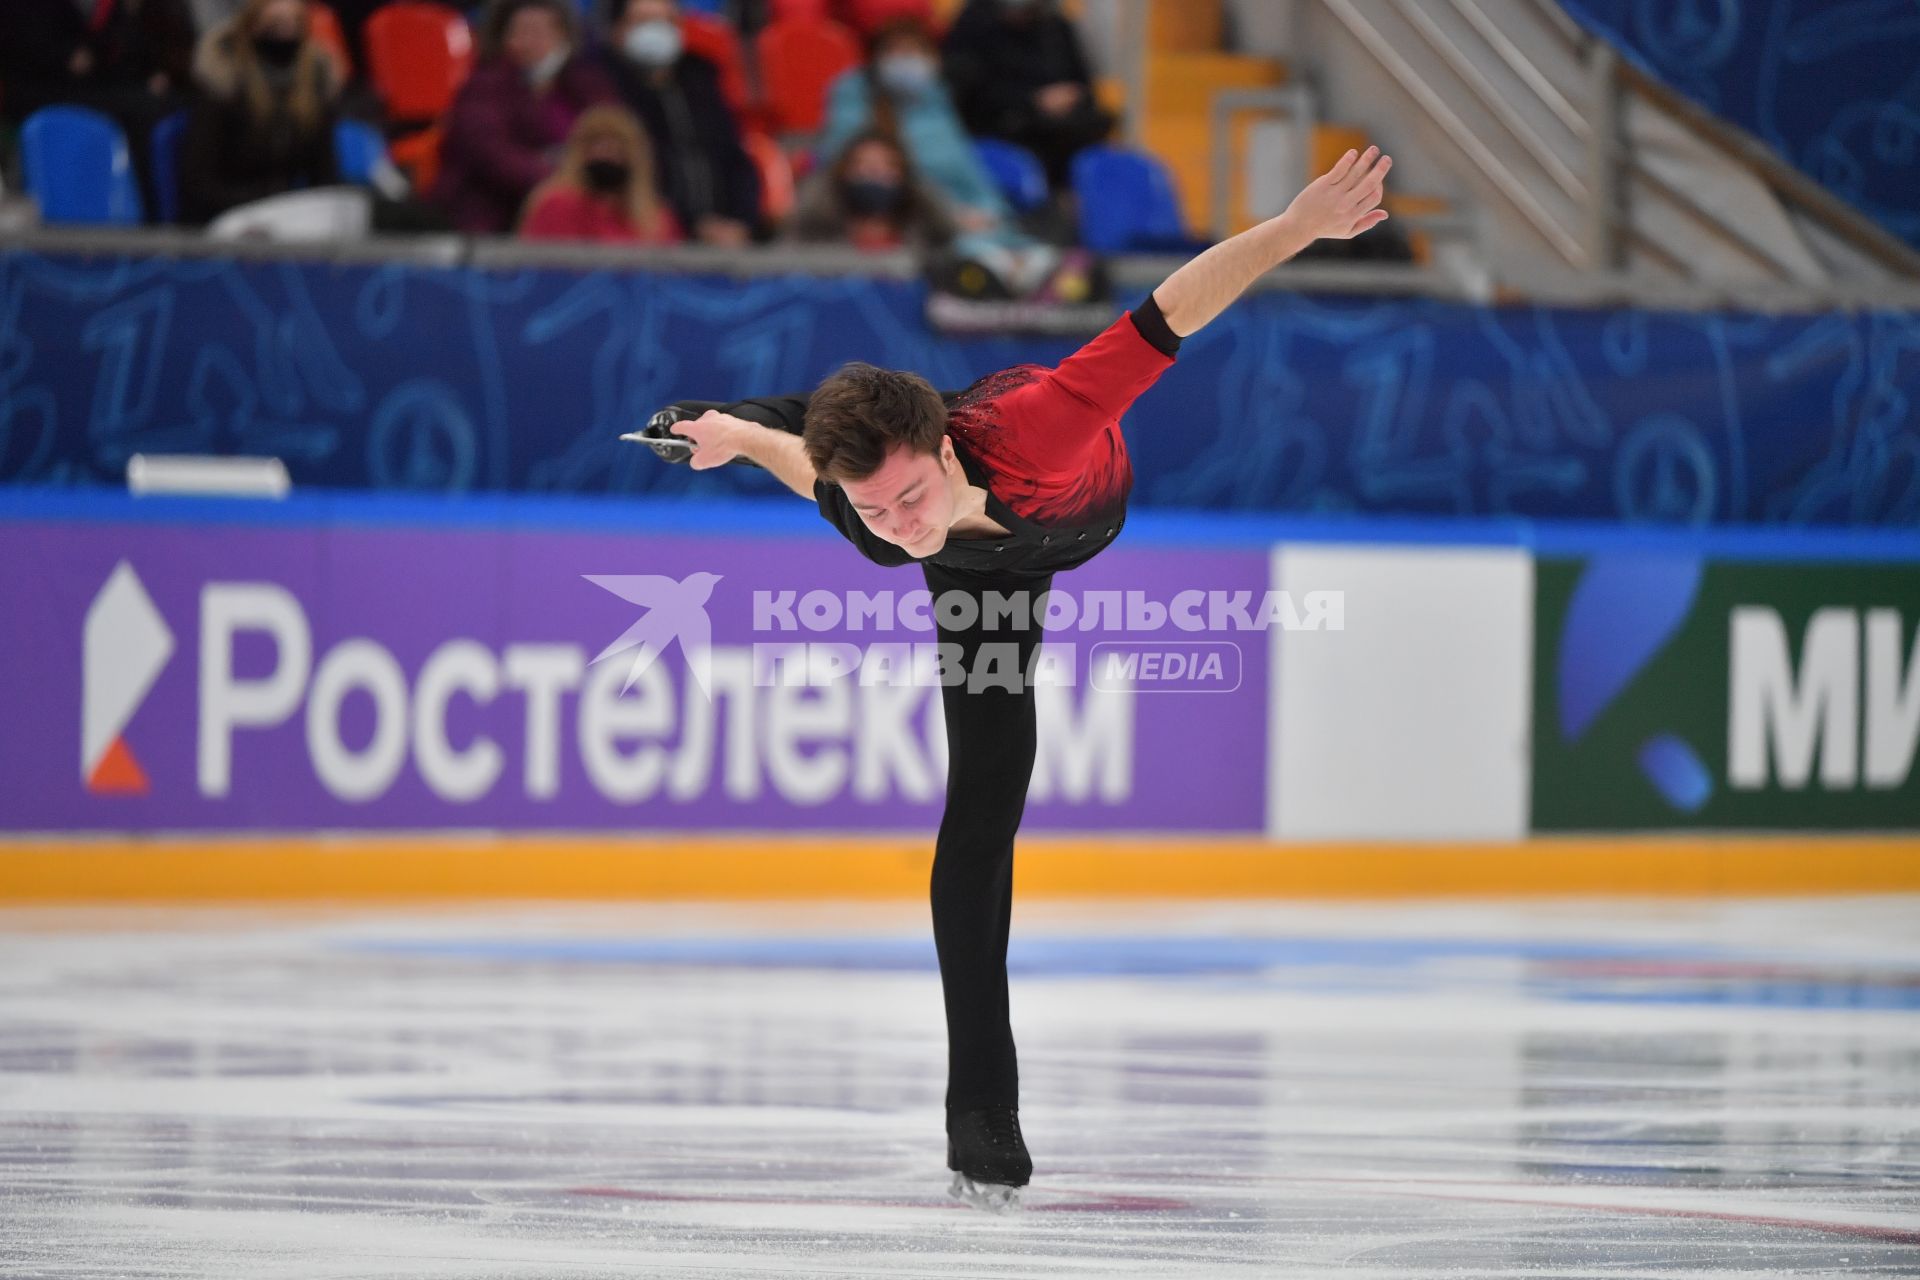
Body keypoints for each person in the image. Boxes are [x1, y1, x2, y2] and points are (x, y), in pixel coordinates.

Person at [639, 146, 1393, 1210]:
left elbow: (1173, 309)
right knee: (981, 813)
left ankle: (743, 416)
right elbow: (794, 454)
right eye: (874, 511)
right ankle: (980, 1110)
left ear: (942, 454)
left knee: (803, 431)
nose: (892, 527)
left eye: (902, 497)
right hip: (982, 574)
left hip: (1064, 508)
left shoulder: (1041, 423)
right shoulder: (878, 517)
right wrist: (724, 432)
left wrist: (1295, 225)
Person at [817, 17, 1056, 293]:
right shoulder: (855, 104)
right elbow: (865, 175)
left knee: (1031, 256)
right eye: (896, 52)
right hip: (914, 223)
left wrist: (991, 213)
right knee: (970, 255)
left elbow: (971, 175)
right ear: (876, 60)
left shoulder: (938, 107)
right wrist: (951, 218)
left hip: (969, 225)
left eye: (915, 52)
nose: (906, 61)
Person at [432, 0, 616, 235]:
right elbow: (492, 155)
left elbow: (615, 136)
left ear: (565, 36)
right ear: (503, 37)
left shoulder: (589, 86)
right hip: (494, 213)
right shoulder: (483, 88)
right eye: (522, 31)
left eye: (543, 31)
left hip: (581, 205)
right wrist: (561, 178)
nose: (532, 42)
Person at [0, 0, 196, 213]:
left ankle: (177, 208)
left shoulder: (107, 7)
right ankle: (149, 209)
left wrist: (147, 74)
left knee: (176, 103)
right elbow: (28, 45)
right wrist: (66, 55)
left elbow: (113, 45)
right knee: (143, 112)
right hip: (41, 91)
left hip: (92, 83)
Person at [598, 0, 760, 247]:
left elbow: (735, 158)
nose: (655, 30)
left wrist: (741, 222)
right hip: (652, 236)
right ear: (617, 31)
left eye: (664, 21)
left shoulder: (702, 78)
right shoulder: (602, 84)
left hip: (725, 234)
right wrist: (692, 224)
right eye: (642, 21)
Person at [176, 0, 343, 225]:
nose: (284, 35)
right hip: (226, 217)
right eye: (274, 25)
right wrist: (266, 202)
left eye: (294, 25)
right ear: (251, 27)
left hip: (286, 216)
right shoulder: (224, 87)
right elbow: (199, 185)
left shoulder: (312, 87)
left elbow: (325, 175)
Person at [941, 0, 1113, 191]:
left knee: (1110, 166)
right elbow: (969, 94)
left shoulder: (1055, 26)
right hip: (1004, 133)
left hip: (1066, 131)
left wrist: (1070, 97)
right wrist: (1033, 101)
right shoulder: (974, 25)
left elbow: (1084, 85)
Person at [519, 103, 683, 244]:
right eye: (596, 144)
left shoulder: (656, 218)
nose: (606, 154)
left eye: (616, 147)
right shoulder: (556, 204)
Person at [786, 129, 955, 253]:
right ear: (842, 174)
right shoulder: (812, 244)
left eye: (887, 165)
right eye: (862, 164)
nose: (874, 172)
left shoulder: (931, 244)